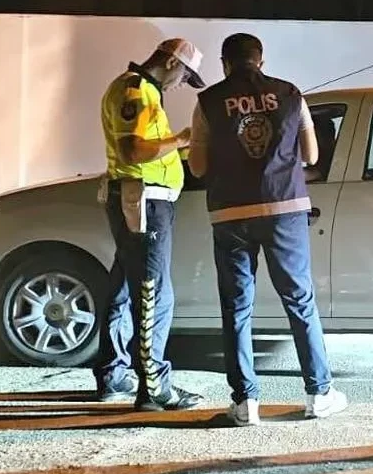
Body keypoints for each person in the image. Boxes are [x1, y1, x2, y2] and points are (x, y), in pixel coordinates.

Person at [187, 33, 348, 426]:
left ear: (225, 64)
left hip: (230, 213)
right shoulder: (290, 94)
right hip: (284, 208)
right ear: (261, 61)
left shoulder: (208, 101)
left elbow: (198, 167)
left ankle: (245, 402)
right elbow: (311, 155)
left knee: (236, 307)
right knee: (299, 301)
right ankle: (319, 393)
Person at [93, 37, 207, 411]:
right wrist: (182, 138)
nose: (181, 84)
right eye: (185, 76)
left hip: (135, 197)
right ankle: (155, 388)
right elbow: (133, 150)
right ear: (172, 62)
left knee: (123, 289)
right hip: (145, 200)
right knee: (153, 293)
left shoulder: (130, 86)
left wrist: (174, 147)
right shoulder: (138, 91)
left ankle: (113, 376)